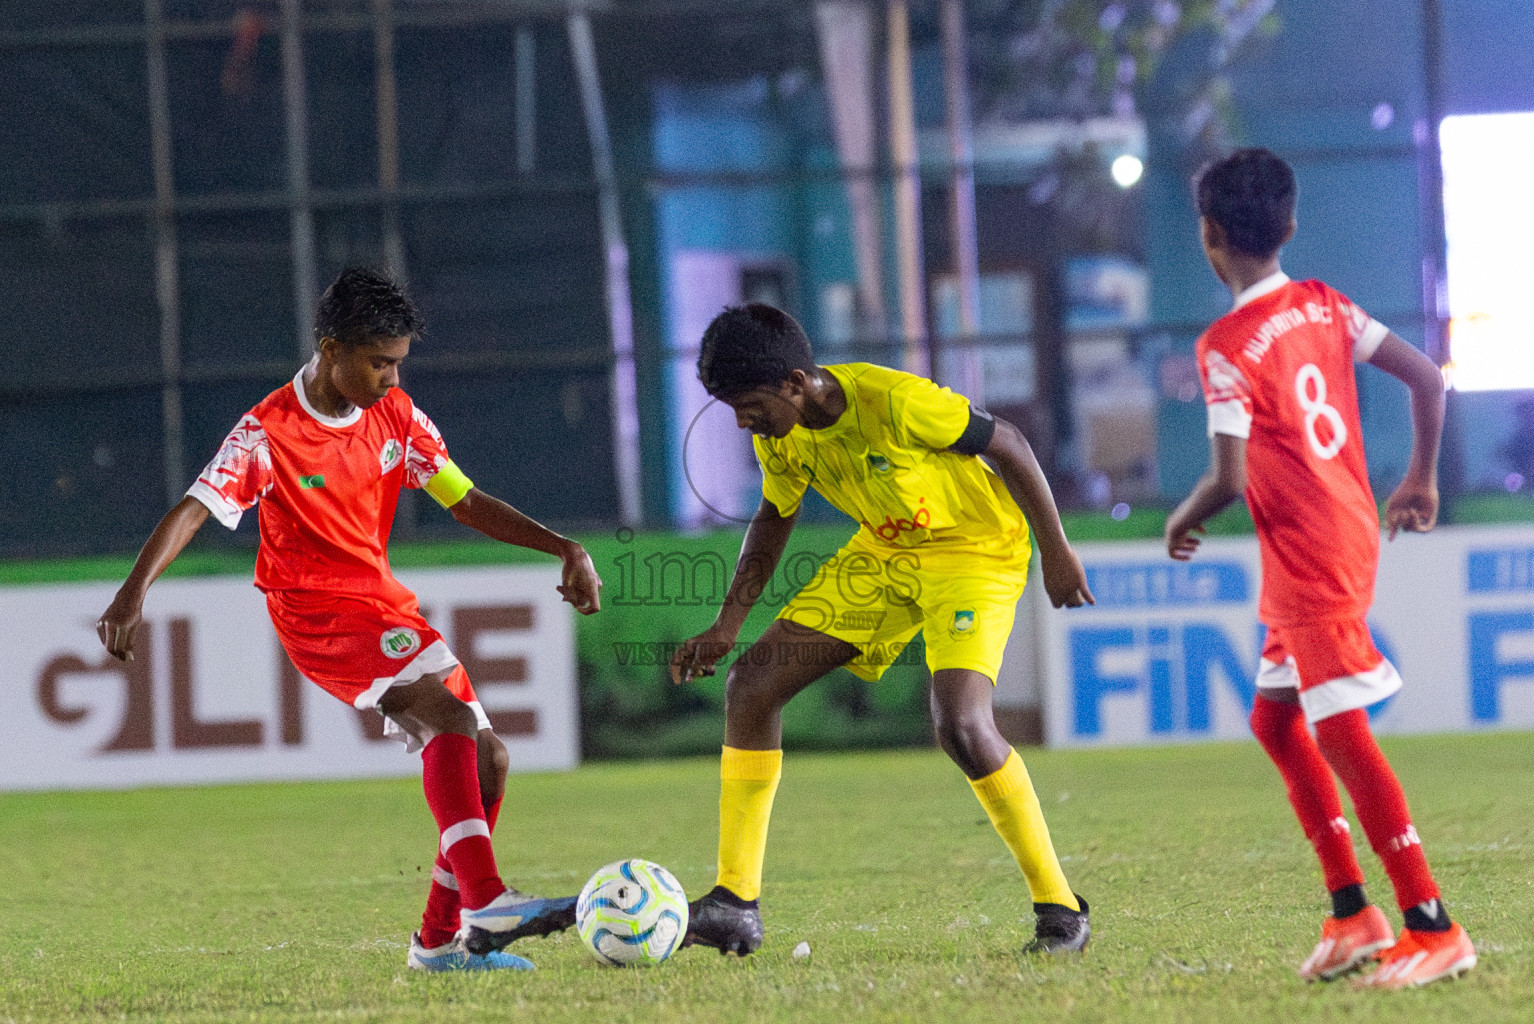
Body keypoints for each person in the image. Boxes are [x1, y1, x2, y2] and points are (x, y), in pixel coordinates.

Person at [96, 267, 603, 972]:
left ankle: (437, 945)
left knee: (490, 762)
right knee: (448, 721)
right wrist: (133, 592)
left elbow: (464, 498)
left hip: (381, 601)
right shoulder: (269, 431)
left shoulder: (396, 414)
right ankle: (484, 899)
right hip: (317, 613)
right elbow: (196, 507)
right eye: (378, 363)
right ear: (330, 348)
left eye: (398, 363)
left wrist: (563, 546)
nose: (391, 378)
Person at [670, 303, 1095, 957]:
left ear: (794, 382)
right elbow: (775, 514)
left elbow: (1008, 441)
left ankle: (1061, 910)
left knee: (961, 725)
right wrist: (729, 623)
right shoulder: (779, 433)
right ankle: (734, 902)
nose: (742, 421)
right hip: (884, 555)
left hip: (974, 553)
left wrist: (1058, 552)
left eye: (748, 404)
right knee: (750, 685)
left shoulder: (895, 401)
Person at [1166, 149, 1476, 987]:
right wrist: (1420, 476)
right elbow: (1424, 377)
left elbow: (1226, 480)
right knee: (1276, 723)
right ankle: (1353, 913)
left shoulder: (1226, 344)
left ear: (1210, 235)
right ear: (1291, 227)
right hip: (1338, 534)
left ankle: (1432, 924)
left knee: (1339, 729)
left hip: (1313, 556)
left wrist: (1183, 518)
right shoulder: (1326, 305)